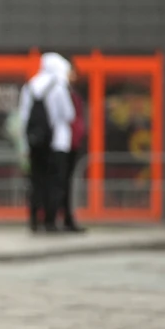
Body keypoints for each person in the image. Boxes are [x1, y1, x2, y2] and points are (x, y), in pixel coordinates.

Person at [18, 52, 75, 233]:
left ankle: (34, 219)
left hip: (35, 141)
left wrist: (26, 143)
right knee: (55, 183)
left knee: (37, 182)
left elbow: (24, 116)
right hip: (57, 142)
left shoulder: (30, 86)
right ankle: (50, 221)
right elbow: (68, 114)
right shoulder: (58, 86)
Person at [64, 70, 87, 233]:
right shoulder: (62, 92)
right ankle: (62, 218)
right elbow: (68, 116)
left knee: (66, 183)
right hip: (65, 143)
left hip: (71, 142)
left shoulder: (73, 94)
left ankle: (67, 218)